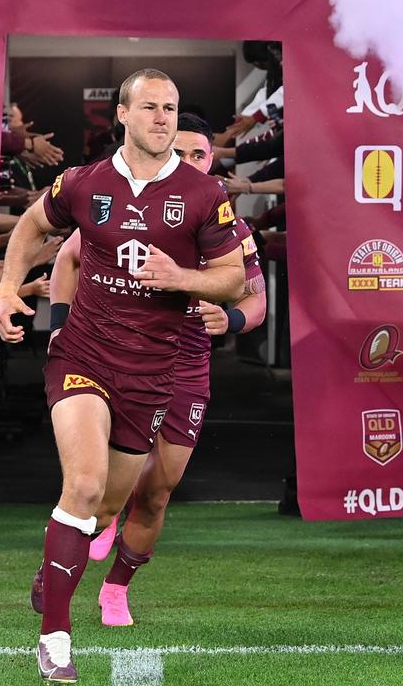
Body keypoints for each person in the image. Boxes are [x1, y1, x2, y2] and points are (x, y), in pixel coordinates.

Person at [0, 69, 245, 683]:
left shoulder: (204, 194)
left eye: (172, 108)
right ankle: (55, 638)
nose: (163, 118)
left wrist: (183, 279)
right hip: (85, 354)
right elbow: (34, 226)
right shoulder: (84, 183)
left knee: (106, 507)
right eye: (152, 107)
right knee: (82, 487)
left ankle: (60, 560)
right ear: (124, 116)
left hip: (153, 373)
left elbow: (233, 278)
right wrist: (6, 288)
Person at [42, 113, 266, 628]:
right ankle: (61, 564)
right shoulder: (129, 203)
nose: (188, 163)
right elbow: (66, 259)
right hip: (117, 352)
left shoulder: (226, 219)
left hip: (185, 361)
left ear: (213, 162)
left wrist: (230, 318)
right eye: (180, 153)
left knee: (160, 489)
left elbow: (257, 302)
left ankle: (117, 587)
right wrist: (58, 326)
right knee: (93, 496)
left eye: (199, 155)